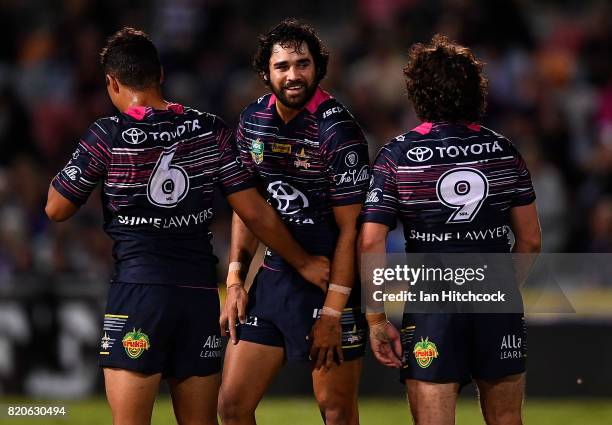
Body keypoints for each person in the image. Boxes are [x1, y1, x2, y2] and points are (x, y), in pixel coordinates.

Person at [45, 27, 329, 425]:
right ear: (160, 74)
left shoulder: (107, 134)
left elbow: (56, 208)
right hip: (197, 298)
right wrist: (303, 262)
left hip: (139, 293)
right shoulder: (209, 129)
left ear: (111, 81)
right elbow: (255, 211)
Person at [358, 35, 541, 425]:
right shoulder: (504, 150)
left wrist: (375, 320)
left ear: (418, 93)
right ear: (476, 90)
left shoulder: (398, 154)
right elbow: (530, 238)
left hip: (432, 308)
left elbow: (371, 240)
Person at [218, 20, 370, 425]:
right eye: (282, 66)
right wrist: (235, 281)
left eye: (302, 64)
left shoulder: (338, 131)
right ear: (265, 72)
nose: (293, 75)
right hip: (275, 279)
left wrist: (334, 312)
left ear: (318, 68)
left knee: (336, 412)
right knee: (232, 408)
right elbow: (246, 207)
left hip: (330, 282)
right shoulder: (251, 121)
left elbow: (352, 230)